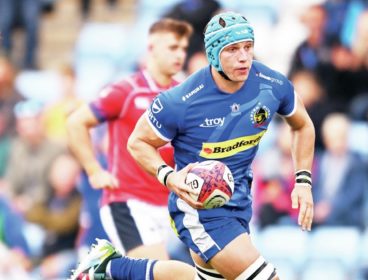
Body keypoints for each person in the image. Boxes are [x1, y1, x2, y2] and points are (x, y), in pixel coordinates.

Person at [70, 11, 315, 280]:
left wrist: (303, 181)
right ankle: (111, 268)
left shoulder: (272, 84)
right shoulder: (181, 99)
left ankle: (109, 267)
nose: (244, 57)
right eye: (232, 49)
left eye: (248, 47)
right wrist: (169, 176)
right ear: (213, 54)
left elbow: (302, 125)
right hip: (199, 210)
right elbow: (137, 142)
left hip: (239, 204)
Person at [66, 18, 193, 260]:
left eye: (184, 48)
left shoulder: (184, 94)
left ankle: (101, 272)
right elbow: (76, 122)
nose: (180, 55)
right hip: (128, 202)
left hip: (169, 204)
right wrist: (94, 170)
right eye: (173, 47)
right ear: (152, 48)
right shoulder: (126, 90)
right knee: (160, 271)